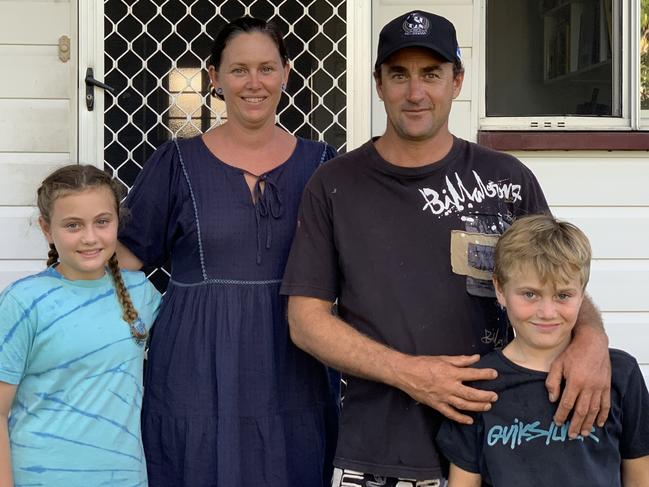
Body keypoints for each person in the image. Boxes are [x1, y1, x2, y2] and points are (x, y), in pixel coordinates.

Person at [281, 10, 610, 486]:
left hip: (509, 442)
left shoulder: (508, 180)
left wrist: (592, 339)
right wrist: (408, 374)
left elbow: (559, 286)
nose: (416, 93)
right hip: (380, 453)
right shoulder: (334, 185)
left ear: (457, 81)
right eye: (399, 75)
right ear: (378, 84)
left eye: (431, 74)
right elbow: (305, 322)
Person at [116, 16, 339, 487]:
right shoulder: (176, 162)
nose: (253, 83)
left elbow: (355, 266)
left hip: (292, 357)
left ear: (287, 72)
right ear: (215, 78)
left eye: (266, 68)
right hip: (195, 359)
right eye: (238, 70)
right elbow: (127, 258)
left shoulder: (323, 165)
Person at [436, 214, 649, 486]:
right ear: (500, 289)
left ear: (582, 294)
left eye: (562, 295)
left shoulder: (620, 374)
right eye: (530, 294)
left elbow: (640, 477)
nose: (547, 313)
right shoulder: (477, 384)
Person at [0, 165, 161, 486]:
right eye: (73, 225)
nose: (90, 237)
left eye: (102, 222)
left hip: (124, 478)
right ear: (47, 230)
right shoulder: (23, 301)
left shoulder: (141, 293)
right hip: (40, 475)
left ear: (118, 221)